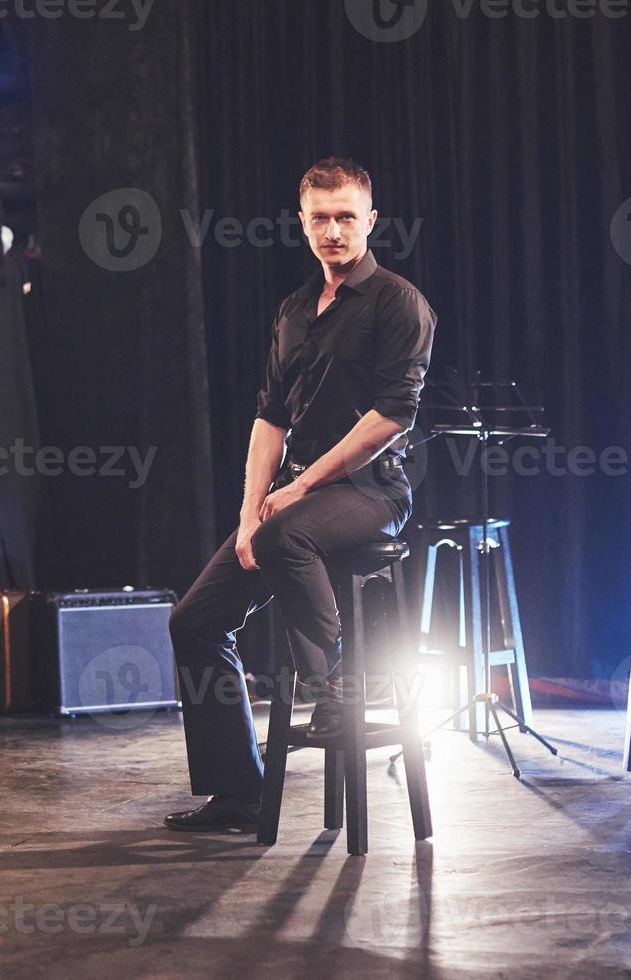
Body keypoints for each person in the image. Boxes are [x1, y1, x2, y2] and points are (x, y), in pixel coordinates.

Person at [165, 158, 436, 832]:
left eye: (346, 217)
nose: (334, 230)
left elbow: (390, 417)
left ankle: (332, 688)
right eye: (321, 218)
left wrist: (297, 491)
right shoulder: (292, 310)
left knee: (288, 534)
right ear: (303, 223)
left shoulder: (397, 303)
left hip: (372, 491)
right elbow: (269, 419)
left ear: (370, 221)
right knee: (193, 621)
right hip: (296, 499)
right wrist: (248, 512)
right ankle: (238, 792)